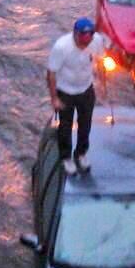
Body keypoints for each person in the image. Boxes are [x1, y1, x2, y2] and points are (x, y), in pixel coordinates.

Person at [47, 18, 108, 175]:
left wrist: (102, 84)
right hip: (65, 91)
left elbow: (101, 62)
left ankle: (81, 154)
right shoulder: (61, 47)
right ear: (75, 34)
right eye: (82, 42)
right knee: (65, 126)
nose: (84, 46)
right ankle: (66, 157)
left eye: (87, 43)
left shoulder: (97, 41)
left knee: (85, 124)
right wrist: (54, 98)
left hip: (86, 89)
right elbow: (51, 74)